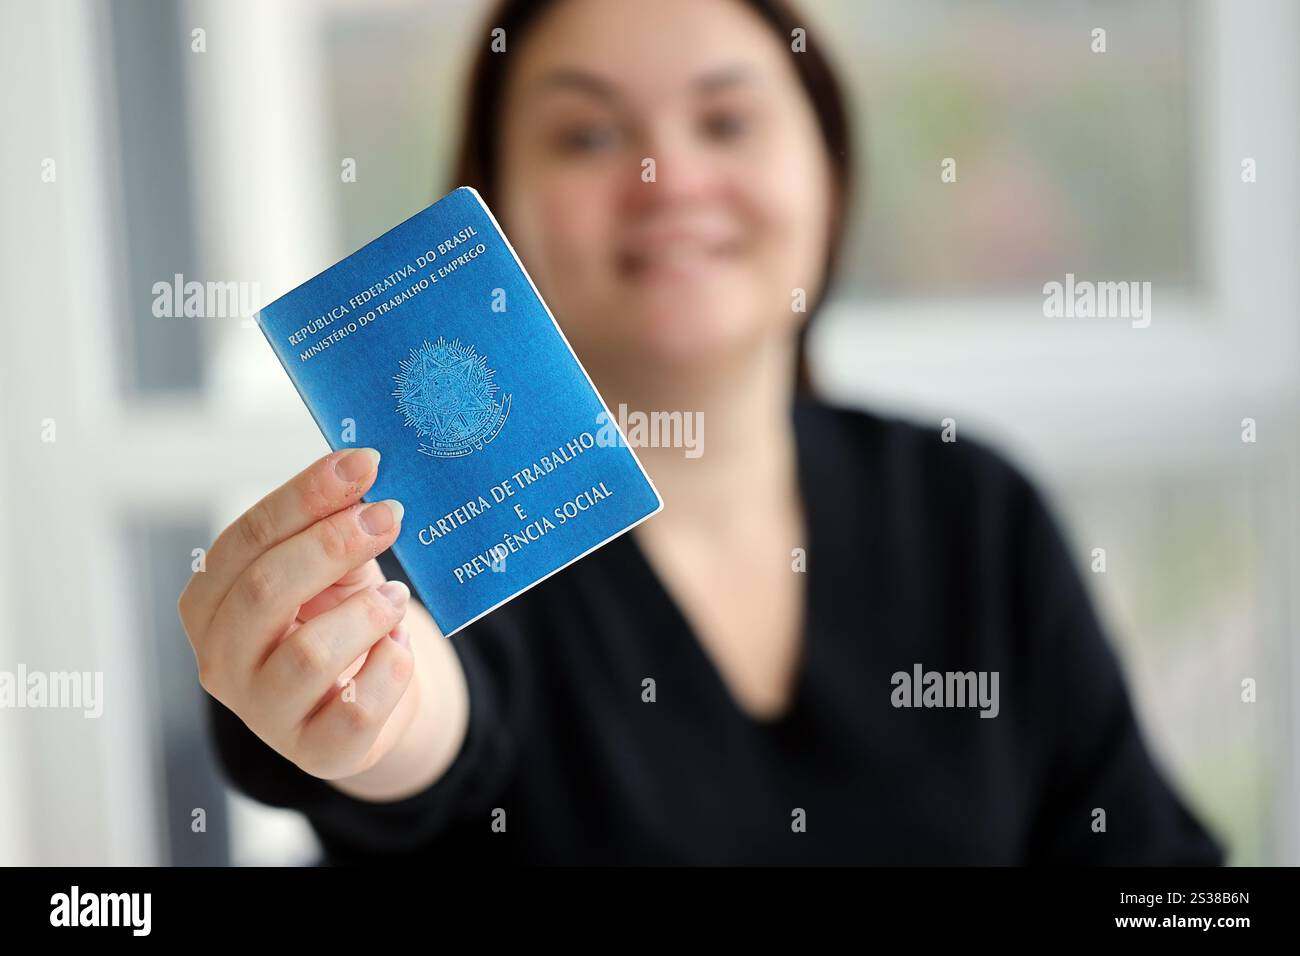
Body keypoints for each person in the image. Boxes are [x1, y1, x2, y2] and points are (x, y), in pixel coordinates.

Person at [180, 0, 1223, 864]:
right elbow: (428, 735)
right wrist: (367, 708)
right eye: (587, 135)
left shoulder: (971, 506)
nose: (664, 179)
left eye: (725, 121)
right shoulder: (431, 539)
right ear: (491, 212)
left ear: (827, 169)